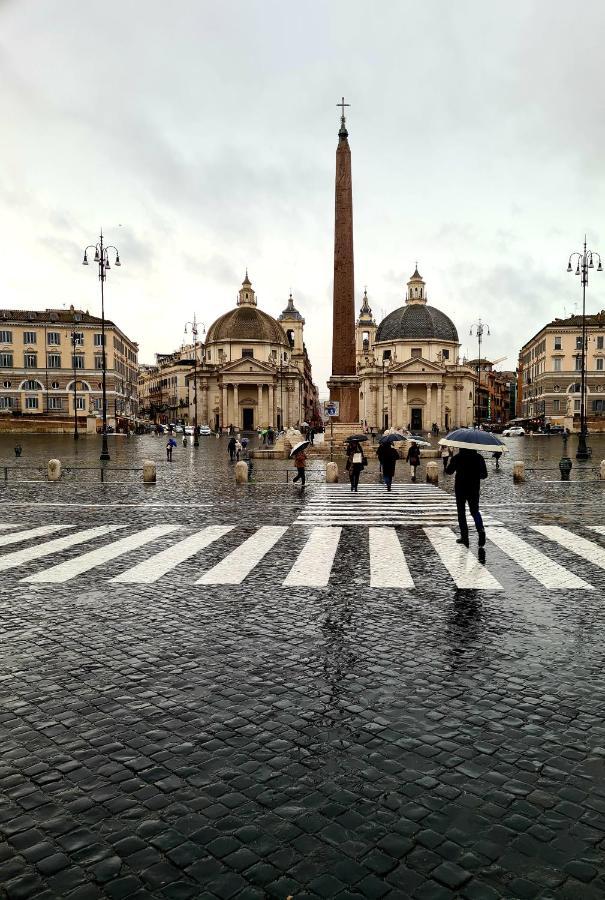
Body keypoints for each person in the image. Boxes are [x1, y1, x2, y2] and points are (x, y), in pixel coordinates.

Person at [446, 448, 488, 547]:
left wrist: (452, 461)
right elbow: (484, 475)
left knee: (461, 513)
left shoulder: (457, 457)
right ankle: (481, 530)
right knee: (474, 511)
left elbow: (449, 471)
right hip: (474, 488)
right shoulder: (479, 458)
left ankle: (464, 537)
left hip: (460, 488)